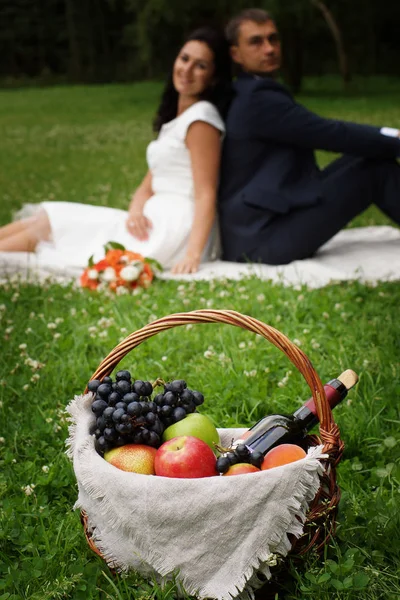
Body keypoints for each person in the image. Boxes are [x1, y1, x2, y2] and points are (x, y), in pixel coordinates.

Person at [0, 27, 232, 274]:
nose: (187, 70)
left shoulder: (201, 120)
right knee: (46, 217)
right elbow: (148, 184)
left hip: (174, 229)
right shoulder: (178, 120)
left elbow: (205, 193)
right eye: (184, 59)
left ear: (214, 77)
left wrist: (193, 254)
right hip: (151, 221)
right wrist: (135, 211)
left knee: (54, 224)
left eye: (201, 66)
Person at [218, 9, 400, 265]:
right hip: (263, 240)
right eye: (256, 42)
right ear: (235, 54)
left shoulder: (247, 91)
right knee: (376, 171)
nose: (269, 49)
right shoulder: (258, 99)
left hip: (262, 224)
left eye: (273, 39)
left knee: (368, 158)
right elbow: (330, 133)